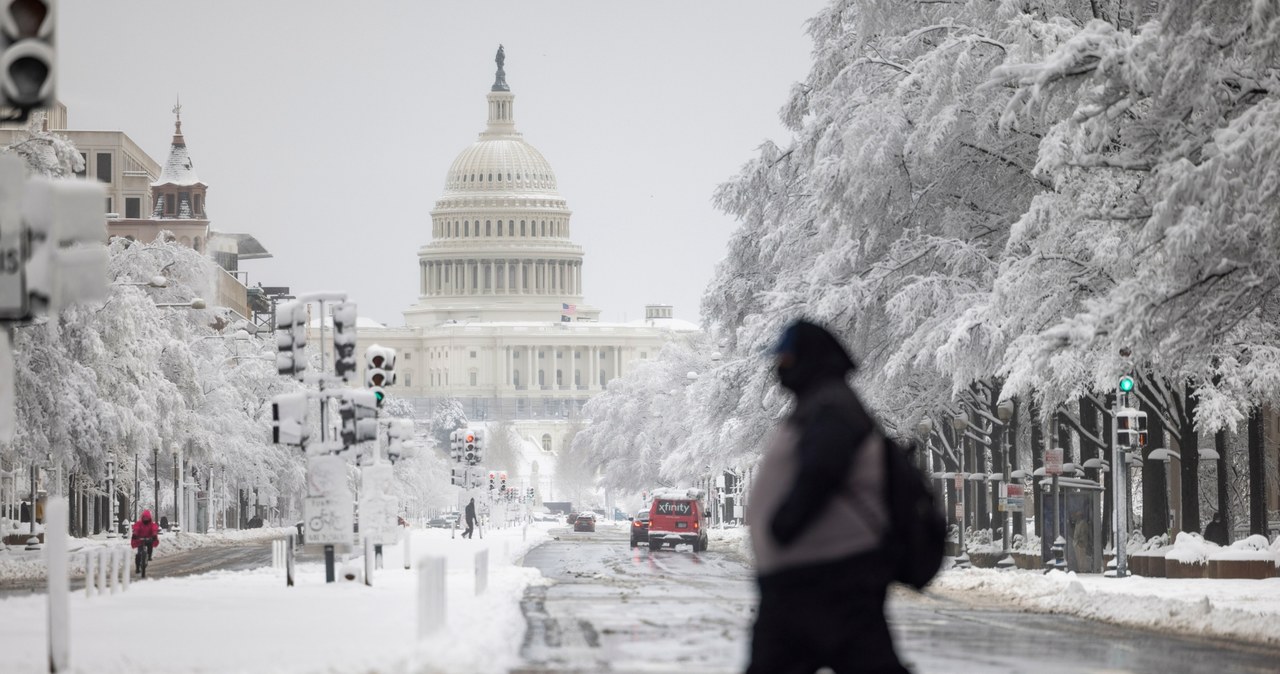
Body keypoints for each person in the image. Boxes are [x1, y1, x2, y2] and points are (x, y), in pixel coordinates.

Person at [746, 319, 908, 674]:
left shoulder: (830, 405)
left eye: (785, 360)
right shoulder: (824, 401)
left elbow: (824, 464)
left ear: (808, 360)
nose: (779, 369)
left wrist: (784, 524)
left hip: (822, 582)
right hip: (821, 579)